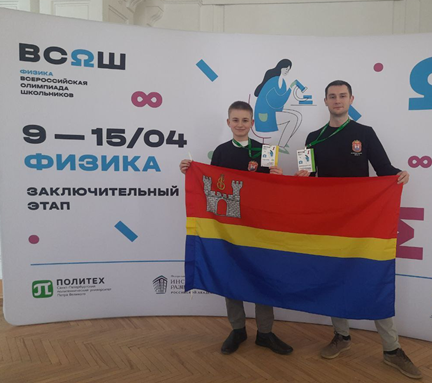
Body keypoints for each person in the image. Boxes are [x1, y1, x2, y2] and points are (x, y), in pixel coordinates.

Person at [305, 80, 421, 380]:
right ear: (325, 101)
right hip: (329, 224)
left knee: (374, 278)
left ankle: (392, 349)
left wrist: (399, 175)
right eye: (332, 96)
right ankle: (341, 336)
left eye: (342, 96)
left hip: (363, 223)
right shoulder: (313, 138)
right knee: (334, 278)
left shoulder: (365, 133)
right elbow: (308, 179)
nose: (337, 100)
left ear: (351, 99)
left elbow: (384, 170)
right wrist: (300, 178)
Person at [180, 100, 307, 356]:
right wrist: (190, 172)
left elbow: (272, 192)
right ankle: (237, 329)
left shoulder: (266, 150)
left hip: (260, 227)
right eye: (235, 120)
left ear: (252, 123)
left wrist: (276, 177)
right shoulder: (221, 151)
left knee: (263, 278)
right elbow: (211, 185)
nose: (240, 124)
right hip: (230, 228)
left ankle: (265, 333)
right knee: (231, 278)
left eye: (245, 120)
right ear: (228, 123)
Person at [254, 59, 303, 153]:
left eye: (289, 69)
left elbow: (280, 100)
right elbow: (278, 101)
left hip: (273, 111)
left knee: (298, 115)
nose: (287, 71)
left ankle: (284, 141)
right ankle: (281, 145)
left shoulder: (282, 82)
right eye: (286, 68)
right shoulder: (273, 81)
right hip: (266, 114)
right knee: (293, 118)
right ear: (280, 67)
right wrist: (291, 88)